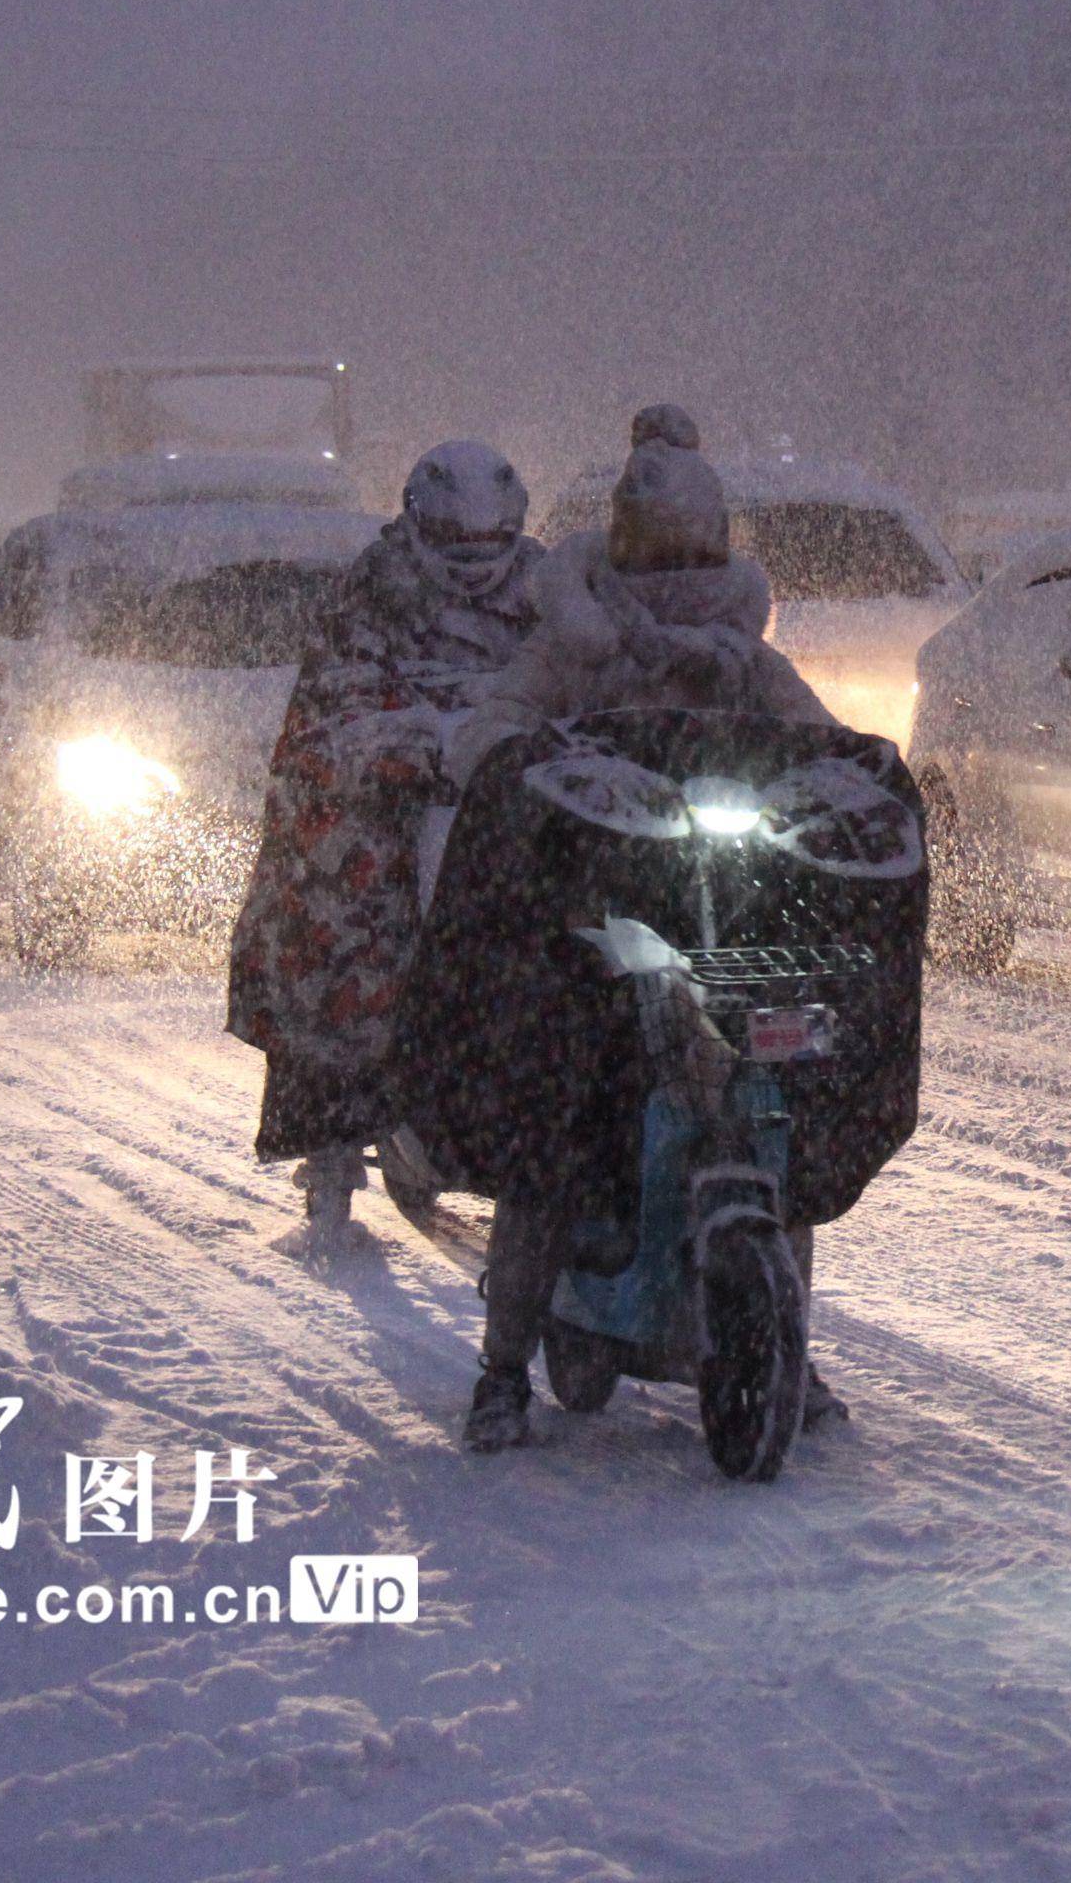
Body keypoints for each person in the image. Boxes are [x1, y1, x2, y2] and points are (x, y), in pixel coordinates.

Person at [453, 405, 841, 1453]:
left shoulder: (742, 657)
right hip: (600, 917)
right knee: (558, 1113)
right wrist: (521, 761)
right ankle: (502, 1366)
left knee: (788, 1100)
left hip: (732, 912)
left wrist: (857, 775)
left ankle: (788, 1346)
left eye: (689, 545)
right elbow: (497, 718)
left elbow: (825, 741)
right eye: (654, 543)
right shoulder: (577, 643)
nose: (672, 566)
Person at [227, 442, 543, 1245]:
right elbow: (334, 719)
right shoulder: (372, 593)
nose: (473, 565)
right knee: (340, 931)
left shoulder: (549, 591)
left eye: (488, 547)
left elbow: (578, 678)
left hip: (505, 810)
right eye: (455, 545)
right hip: (387, 811)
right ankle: (331, 1140)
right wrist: (420, 740)